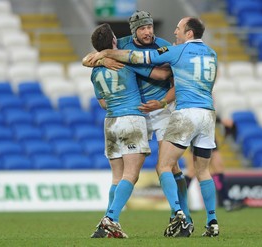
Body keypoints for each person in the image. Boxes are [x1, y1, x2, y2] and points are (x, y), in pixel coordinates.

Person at [89, 17, 219, 237]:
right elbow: (155, 70)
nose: (149, 31)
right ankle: (201, 219)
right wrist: (106, 55)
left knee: (168, 167)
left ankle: (181, 215)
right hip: (144, 114)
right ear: (132, 32)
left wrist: (161, 102)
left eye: (150, 27)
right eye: (143, 28)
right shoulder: (122, 45)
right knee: (173, 167)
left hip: (152, 112)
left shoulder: (166, 46)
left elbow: (164, 75)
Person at [88, 23, 172, 238]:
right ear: (114, 42)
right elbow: (160, 76)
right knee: (131, 175)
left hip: (110, 122)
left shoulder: (95, 71)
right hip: (131, 119)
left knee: (117, 177)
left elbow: (103, 103)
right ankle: (111, 219)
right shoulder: (124, 62)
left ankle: (106, 224)